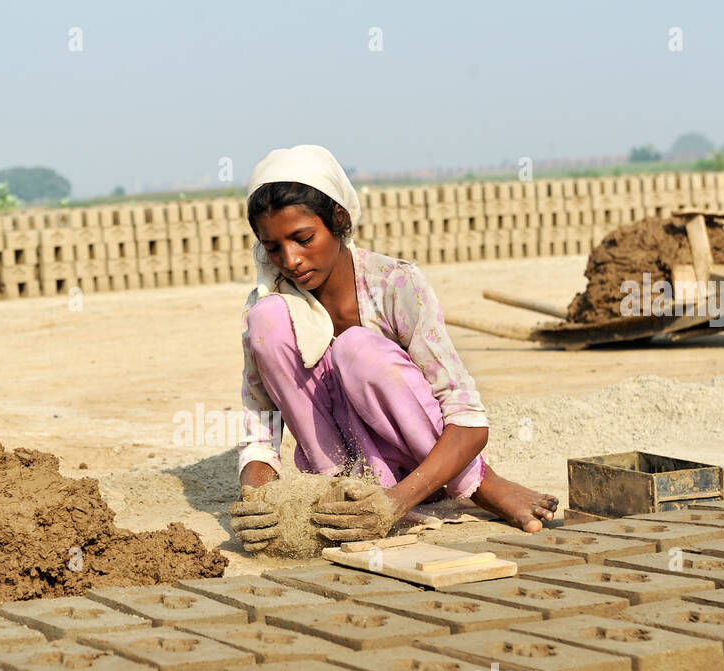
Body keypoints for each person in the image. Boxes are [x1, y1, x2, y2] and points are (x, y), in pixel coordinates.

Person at [229, 144, 559, 553]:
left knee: (356, 349)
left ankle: (478, 483)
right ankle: (342, 489)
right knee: (268, 319)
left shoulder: (395, 285)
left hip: (422, 468)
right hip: (340, 479)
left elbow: (468, 418)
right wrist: (257, 499)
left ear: (339, 220)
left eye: (303, 238)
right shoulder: (268, 302)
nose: (291, 260)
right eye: (273, 247)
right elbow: (260, 429)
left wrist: (394, 503)